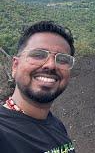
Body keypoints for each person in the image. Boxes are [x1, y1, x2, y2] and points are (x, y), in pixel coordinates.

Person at [0, 21, 76, 152]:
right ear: (15, 66)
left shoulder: (56, 124)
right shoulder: (4, 132)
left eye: (62, 59)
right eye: (38, 55)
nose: (51, 65)